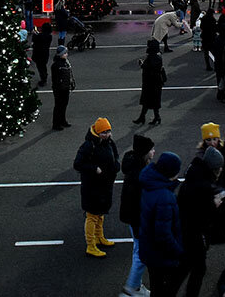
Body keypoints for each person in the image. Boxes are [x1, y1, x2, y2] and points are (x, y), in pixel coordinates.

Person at [178, 146, 225, 297]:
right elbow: (204, 212)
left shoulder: (195, 174)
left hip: (187, 229)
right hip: (194, 232)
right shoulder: (203, 185)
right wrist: (215, 204)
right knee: (198, 268)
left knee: (186, 266)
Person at [139, 152, 184, 297]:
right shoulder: (165, 196)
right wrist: (178, 250)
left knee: (156, 286)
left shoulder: (150, 184)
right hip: (162, 255)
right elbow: (163, 234)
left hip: (150, 250)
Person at [74, 117, 119, 258]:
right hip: (92, 186)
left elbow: (115, 157)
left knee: (100, 213)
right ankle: (90, 245)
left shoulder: (109, 143)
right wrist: (94, 169)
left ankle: (100, 237)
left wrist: (116, 166)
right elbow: (78, 164)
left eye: (108, 131)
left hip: (105, 184)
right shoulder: (88, 146)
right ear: (97, 133)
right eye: (104, 132)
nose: (107, 134)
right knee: (92, 215)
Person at [119, 135, 154, 297]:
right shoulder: (139, 173)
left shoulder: (133, 166)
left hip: (132, 217)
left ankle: (137, 285)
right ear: (145, 152)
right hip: (137, 218)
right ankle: (131, 288)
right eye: (151, 149)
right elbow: (140, 199)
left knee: (137, 250)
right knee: (141, 254)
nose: (154, 151)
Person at [134, 39, 167, 125]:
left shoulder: (152, 57)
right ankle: (154, 117)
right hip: (155, 83)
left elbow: (148, 67)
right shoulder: (157, 56)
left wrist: (142, 64)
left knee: (147, 101)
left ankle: (144, 117)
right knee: (153, 101)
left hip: (151, 83)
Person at [50, 46, 75, 131]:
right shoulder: (56, 65)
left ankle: (62, 121)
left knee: (64, 105)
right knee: (58, 106)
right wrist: (59, 87)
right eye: (64, 53)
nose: (66, 54)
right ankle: (56, 124)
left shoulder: (65, 62)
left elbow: (69, 74)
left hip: (65, 87)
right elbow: (55, 79)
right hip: (59, 89)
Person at [31, 22, 53, 87]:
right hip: (45, 54)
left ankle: (43, 79)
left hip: (38, 54)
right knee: (43, 66)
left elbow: (34, 39)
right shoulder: (49, 36)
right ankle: (44, 77)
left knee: (40, 67)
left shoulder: (39, 36)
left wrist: (34, 34)